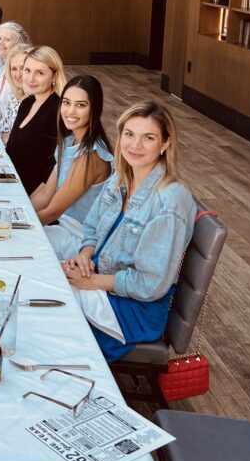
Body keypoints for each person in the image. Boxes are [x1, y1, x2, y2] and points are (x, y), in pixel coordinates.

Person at [61, 100, 196, 363]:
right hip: (102, 281)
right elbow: (91, 228)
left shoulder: (169, 202)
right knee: (40, 288)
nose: (135, 145)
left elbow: (150, 284)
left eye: (148, 138)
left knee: (52, 318)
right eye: (129, 134)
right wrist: (85, 255)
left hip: (133, 311)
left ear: (165, 144)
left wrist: (92, 282)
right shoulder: (121, 178)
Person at [31, 76, 114, 246]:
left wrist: (15, 226)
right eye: (67, 103)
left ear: (94, 109)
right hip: (61, 228)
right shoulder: (69, 142)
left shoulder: (91, 156)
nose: (70, 111)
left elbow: (53, 211)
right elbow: (46, 194)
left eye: (81, 105)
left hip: (79, 238)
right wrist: (18, 212)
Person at [6, 45, 66, 197]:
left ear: (54, 76)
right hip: (12, 182)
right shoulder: (28, 102)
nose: (30, 78)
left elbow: (56, 168)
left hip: (32, 195)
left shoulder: (58, 111)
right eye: (27, 71)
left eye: (39, 73)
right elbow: (12, 150)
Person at [0, 23, 30, 126]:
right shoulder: (4, 68)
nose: (1, 42)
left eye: (7, 39)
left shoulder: (22, 74)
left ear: (19, 43)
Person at [0, 42, 32, 141]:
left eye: (23, 68)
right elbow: (4, 127)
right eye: (14, 69)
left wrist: (9, 138)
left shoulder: (37, 101)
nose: (18, 74)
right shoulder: (14, 96)